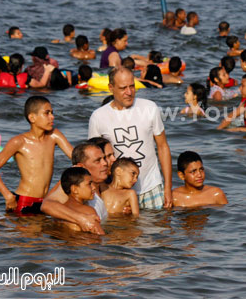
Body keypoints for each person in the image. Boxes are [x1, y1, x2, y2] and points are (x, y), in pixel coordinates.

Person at [88, 67, 173, 209]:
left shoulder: (150, 108)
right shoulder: (98, 117)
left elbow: (163, 146)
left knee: (158, 230)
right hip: (117, 192)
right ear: (111, 88)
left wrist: (168, 188)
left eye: (132, 86)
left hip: (152, 186)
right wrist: (104, 192)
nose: (129, 92)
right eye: (123, 88)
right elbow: (94, 159)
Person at [0, 96, 73, 214]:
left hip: (45, 202)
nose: (52, 117)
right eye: (47, 113)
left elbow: (76, 157)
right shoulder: (19, 142)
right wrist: (8, 195)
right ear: (32, 117)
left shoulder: (54, 136)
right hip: (24, 201)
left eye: (52, 113)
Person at [41, 142, 109, 235]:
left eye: (104, 158)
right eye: (98, 160)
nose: (105, 163)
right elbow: (47, 205)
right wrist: (81, 219)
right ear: (80, 166)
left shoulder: (99, 182)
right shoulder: (72, 184)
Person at [59, 167, 99, 232]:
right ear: (74, 189)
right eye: (89, 184)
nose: (94, 187)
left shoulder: (59, 212)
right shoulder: (88, 211)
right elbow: (100, 236)